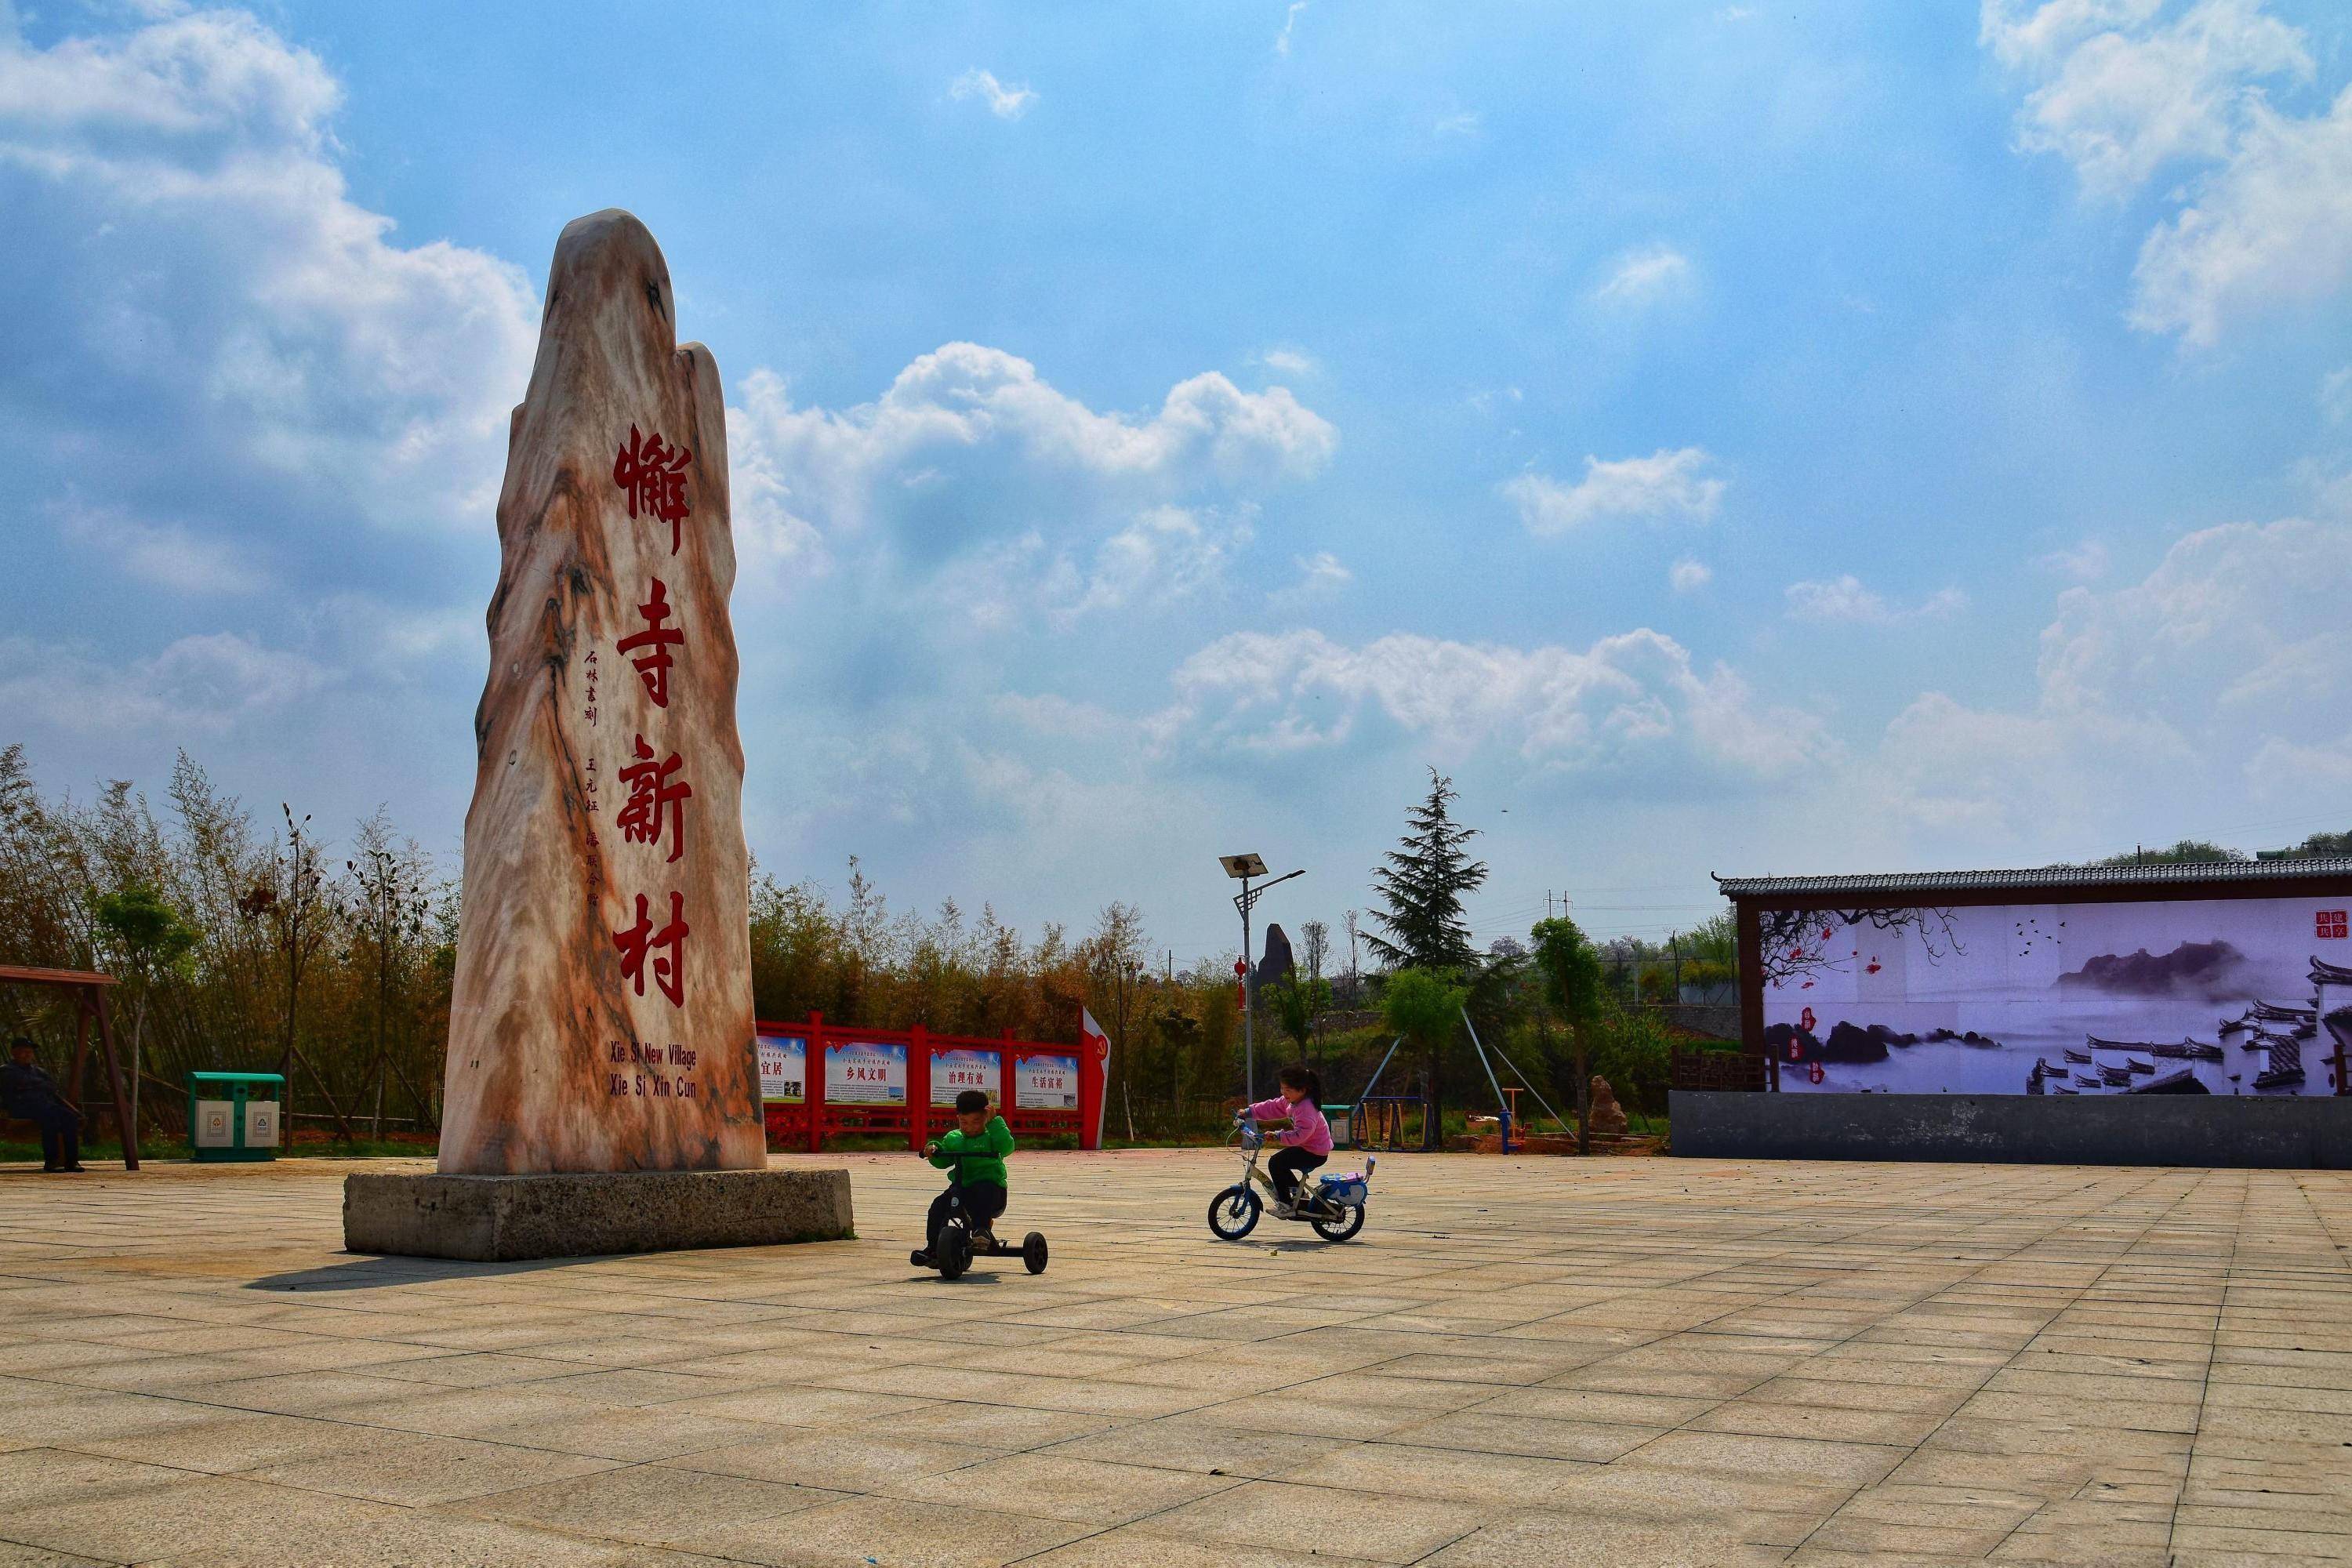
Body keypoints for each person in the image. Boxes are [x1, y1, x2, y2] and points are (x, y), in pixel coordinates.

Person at [912, 1088, 1013, 1266]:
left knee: (984, 1190)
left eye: (976, 1121)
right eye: (964, 1122)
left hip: (992, 1191)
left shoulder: (992, 1136)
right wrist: (934, 1150)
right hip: (961, 1189)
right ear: (958, 1118)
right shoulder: (955, 1138)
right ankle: (933, 1247)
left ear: (986, 1116)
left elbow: (1006, 1148)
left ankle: (982, 1231)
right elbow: (944, 1160)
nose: (970, 1127)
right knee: (938, 1206)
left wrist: (995, 1123)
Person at [1242, 1064, 1330, 1218]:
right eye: (1282, 1088)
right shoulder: (1292, 1101)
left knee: (1277, 1163)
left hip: (1315, 1152)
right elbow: (1272, 1107)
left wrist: (1278, 1136)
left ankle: (1286, 1205)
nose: (1284, 1093)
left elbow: (1300, 1135)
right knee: (1279, 1162)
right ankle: (1299, 1194)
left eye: (1288, 1090)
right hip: (1307, 1147)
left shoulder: (1307, 1109)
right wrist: (1249, 1112)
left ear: (1302, 1090)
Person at [2, 1038, 84, 1173]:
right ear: (14, 1053)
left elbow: (51, 1086)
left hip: (44, 1106)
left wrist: (34, 1084)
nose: (28, 1055)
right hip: (22, 1108)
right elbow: (20, 1082)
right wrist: (38, 1085)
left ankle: (71, 1161)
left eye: (30, 1052)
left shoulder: (38, 1071)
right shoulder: (6, 1071)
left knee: (70, 1117)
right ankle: (52, 1161)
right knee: (50, 1119)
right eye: (24, 1052)